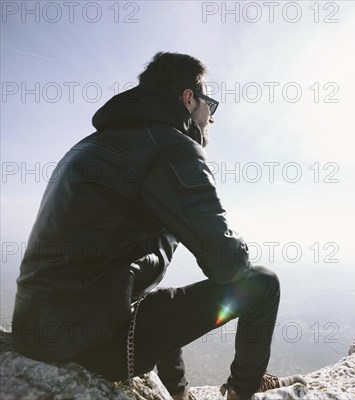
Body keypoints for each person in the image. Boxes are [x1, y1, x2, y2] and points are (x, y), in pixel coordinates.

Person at [11, 52, 305, 400]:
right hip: (92, 344)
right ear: (188, 98)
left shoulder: (90, 145)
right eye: (210, 103)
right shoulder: (173, 148)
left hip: (34, 331)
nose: (212, 117)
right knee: (262, 283)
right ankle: (245, 389)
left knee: (155, 299)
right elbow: (227, 264)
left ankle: (180, 395)